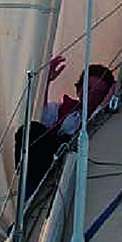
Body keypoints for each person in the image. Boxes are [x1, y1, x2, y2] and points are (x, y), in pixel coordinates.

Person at [14, 55, 115, 193]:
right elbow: (42, 115)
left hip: (71, 162)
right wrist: (46, 81)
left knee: (64, 140)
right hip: (49, 160)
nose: (91, 96)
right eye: (88, 89)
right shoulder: (65, 110)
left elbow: (95, 121)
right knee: (30, 130)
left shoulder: (103, 120)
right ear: (79, 89)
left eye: (99, 93)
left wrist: (110, 97)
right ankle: (25, 187)